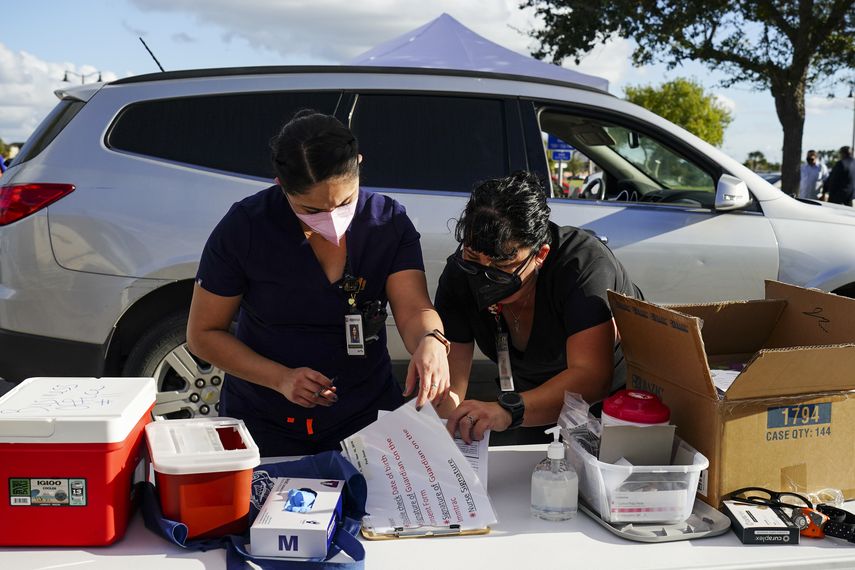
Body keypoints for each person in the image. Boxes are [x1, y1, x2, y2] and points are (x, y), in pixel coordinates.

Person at [187, 110, 450, 456]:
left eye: (345, 203)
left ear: (359, 165)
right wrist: (280, 378)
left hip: (367, 416)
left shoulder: (387, 223)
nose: (332, 220)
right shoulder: (245, 228)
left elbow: (414, 308)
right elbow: (203, 334)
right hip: (266, 421)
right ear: (281, 185)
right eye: (311, 211)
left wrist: (430, 341)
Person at [434, 171, 642, 444]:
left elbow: (591, 377)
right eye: (473, 258)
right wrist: (442, 432)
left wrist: (509, 411)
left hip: (617, 407)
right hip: (528, 400)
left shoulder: (581, 266)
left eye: (502, 266)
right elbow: (451, 379)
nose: (483, 277)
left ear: (540, 254)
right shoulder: (459, 275)